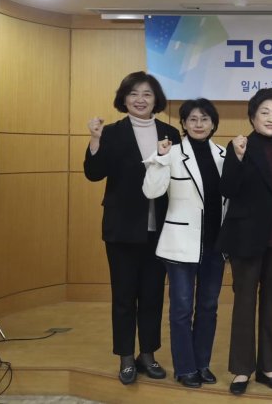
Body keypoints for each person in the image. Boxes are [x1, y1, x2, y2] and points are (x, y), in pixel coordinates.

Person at [84, 71, 180, 385]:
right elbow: (94, 173)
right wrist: (95, 139)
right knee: (124, 295)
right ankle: (126, 356)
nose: (140, 99)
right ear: (124, 99)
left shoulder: (170, 133)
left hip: (160, 229)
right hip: (122, 229)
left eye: (147, 94)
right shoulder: (112, 132)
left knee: (152, 294)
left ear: (156, 99)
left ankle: (147, 354)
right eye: (134, 93)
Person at [217, 88, 272, 395]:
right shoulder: (240, 146)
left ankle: (269, 367)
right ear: (252, 117)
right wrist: (238, 157)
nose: (271, 118)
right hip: (246, 242)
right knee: (244, 305)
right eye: (264, 112)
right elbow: (227, 188)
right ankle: (242, 370)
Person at [141, 98, 226, 388]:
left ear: (213, 123)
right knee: (181, 309)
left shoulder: (224, 154)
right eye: (192, 119)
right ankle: (185, 367)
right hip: (180, 245)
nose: (199, 124)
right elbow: (151, 191)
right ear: (184, 124)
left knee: (208, 307)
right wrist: (159, 158)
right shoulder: (172, 152)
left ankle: (202, 364)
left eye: (204, 119)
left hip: (215, 246)